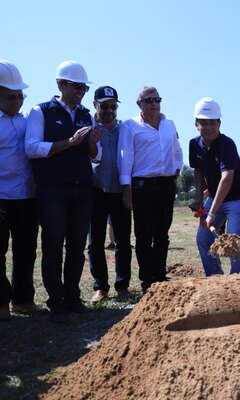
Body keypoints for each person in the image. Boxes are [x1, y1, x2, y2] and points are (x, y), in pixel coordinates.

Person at [25, 60, 102, 323]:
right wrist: (68, 143)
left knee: (77, 247)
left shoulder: (84, 114)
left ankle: (72, 297)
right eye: (76, 86)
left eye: (84, 87)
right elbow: (32, 148)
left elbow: (95, 157)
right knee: (53, 246)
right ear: (60, 84)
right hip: (52, 190)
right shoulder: (41, 111)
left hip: (81, 190)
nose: (81, 91)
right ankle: (56, 301)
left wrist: (91, 144)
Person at [118, 86, 183, 293]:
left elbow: (177, 151)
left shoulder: (169, 124)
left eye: (157, 99)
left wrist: (176, 174)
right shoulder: (130, 126)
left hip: (165, 185)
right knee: (144, 235)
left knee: (162, 234)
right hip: (142, 186)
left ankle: (160, 276)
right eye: (149, 100)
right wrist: (126, 188)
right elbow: (125, 158)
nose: (154, 104)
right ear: (139, 104)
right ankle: (147, 280)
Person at [189, 97, 240, 276]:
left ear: (219, 123)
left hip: (238, 197)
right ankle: (215, 278)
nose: (208, 127)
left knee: (232, 239)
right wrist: (199, 198)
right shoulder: (194, 144)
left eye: (212, 123)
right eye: (203, 123)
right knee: (203, 238)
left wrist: (211, 213)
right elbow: (198, 170)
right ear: (196, 124)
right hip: (215, 196)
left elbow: (227, 178)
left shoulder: (226, 144)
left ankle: (236, 279)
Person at [0, 61, 39, 321]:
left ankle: (23, 301)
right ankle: (1, 304)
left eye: (20, 96)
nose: (17, 102)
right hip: (1, 197)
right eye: (10, 97)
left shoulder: (29, 122)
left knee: (26, 250)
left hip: (27, 197)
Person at [87, 86, 132, 304]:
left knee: (123, 241)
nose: (109, 110)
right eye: (104, 106)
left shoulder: (125, 129)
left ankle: (122, 286)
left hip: (120, 191)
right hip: (95, 191)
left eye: (113, 106)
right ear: (95, 105)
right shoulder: (88, 128)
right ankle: (100, 288)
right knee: (95, 242)